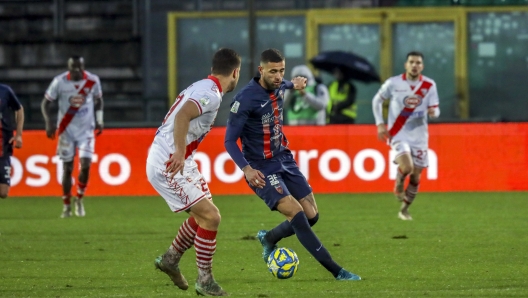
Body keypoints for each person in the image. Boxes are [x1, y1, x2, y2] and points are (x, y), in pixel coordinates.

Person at [224, 48, 361, 281]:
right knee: (297, 215)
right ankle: (337, 271)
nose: (278, 76)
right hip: (261, 168)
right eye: (273, 71)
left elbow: (284, 85)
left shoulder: (279, 85)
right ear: (261, 70)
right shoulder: (245, 99)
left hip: (284, 158)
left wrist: (294, 84)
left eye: (282, 71)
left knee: (312, 215)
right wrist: (246, 169)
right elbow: (229, 141)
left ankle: (268, 238)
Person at [146, 48, 241, 296]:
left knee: (203, 215)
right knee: (211, 216)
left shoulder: (201, 86)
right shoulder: (210, 93)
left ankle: (171, 258)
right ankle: (205, 281)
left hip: (181, 160)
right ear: (235, 72)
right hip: (169, 161)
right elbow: (182, 116)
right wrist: (178, 152)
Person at [372, 51, 440, 221]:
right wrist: (380, 124)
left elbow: (436, 109)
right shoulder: (393, 83)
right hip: (398, 132)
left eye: (418, 62)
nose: (415, 65)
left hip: (420, 135)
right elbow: (377, 101)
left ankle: (404, 209)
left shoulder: (429, 85)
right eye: (412, 62)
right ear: (406, 65)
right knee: (407, 167)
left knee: (416, 177)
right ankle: (399, 180)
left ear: (422, 66)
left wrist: (434, 113)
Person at [41, 56, 104, 218]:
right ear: (69, 68)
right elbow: (45, 103)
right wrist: (48, 123)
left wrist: (99, 119)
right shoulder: (59, 82)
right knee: (67, 168)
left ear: (83, 67)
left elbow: (99, 100)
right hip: (66, 131)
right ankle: (66, 205)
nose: (77, 71)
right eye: (73, 68)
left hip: (86, 131)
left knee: (85, 165)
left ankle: (79, 199)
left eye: (79, 68)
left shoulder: (92, 80)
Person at [0, 84, 24, 199]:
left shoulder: (5, 90)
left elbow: (19, 109)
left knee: (3, 192)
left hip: (3, 143)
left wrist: (18, 135)